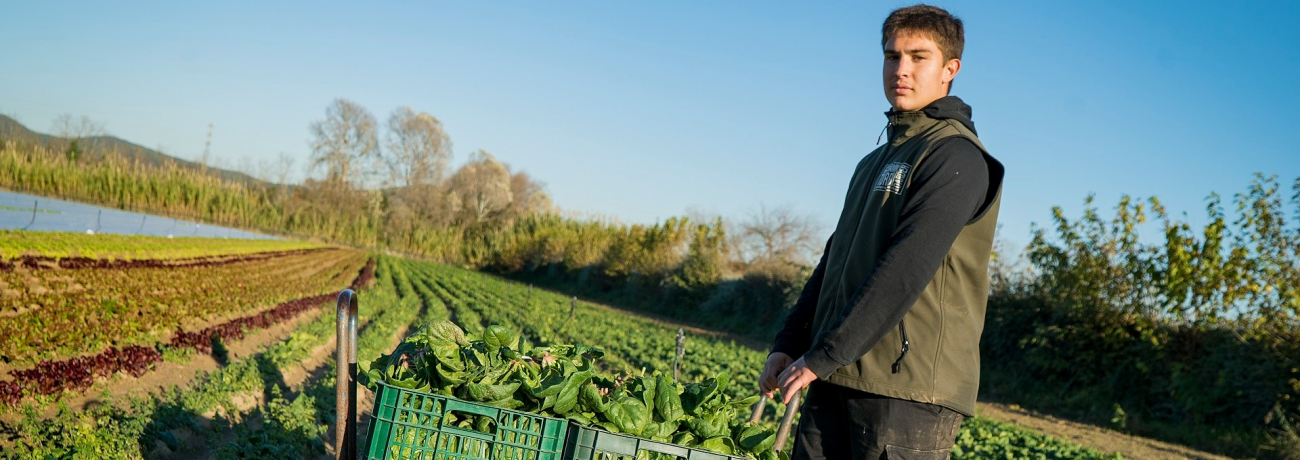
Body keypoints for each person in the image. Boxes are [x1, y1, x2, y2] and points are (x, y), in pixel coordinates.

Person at [758, 4, 1005, 459]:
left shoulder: (957, 157)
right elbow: (834, 262)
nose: (901, 70)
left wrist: (826, 352)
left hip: (906, 388)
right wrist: (790, 343)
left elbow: (906, 268)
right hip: (834, 371)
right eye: (892, 56)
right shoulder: (873, 162)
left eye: (918, 57)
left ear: (951, 69)